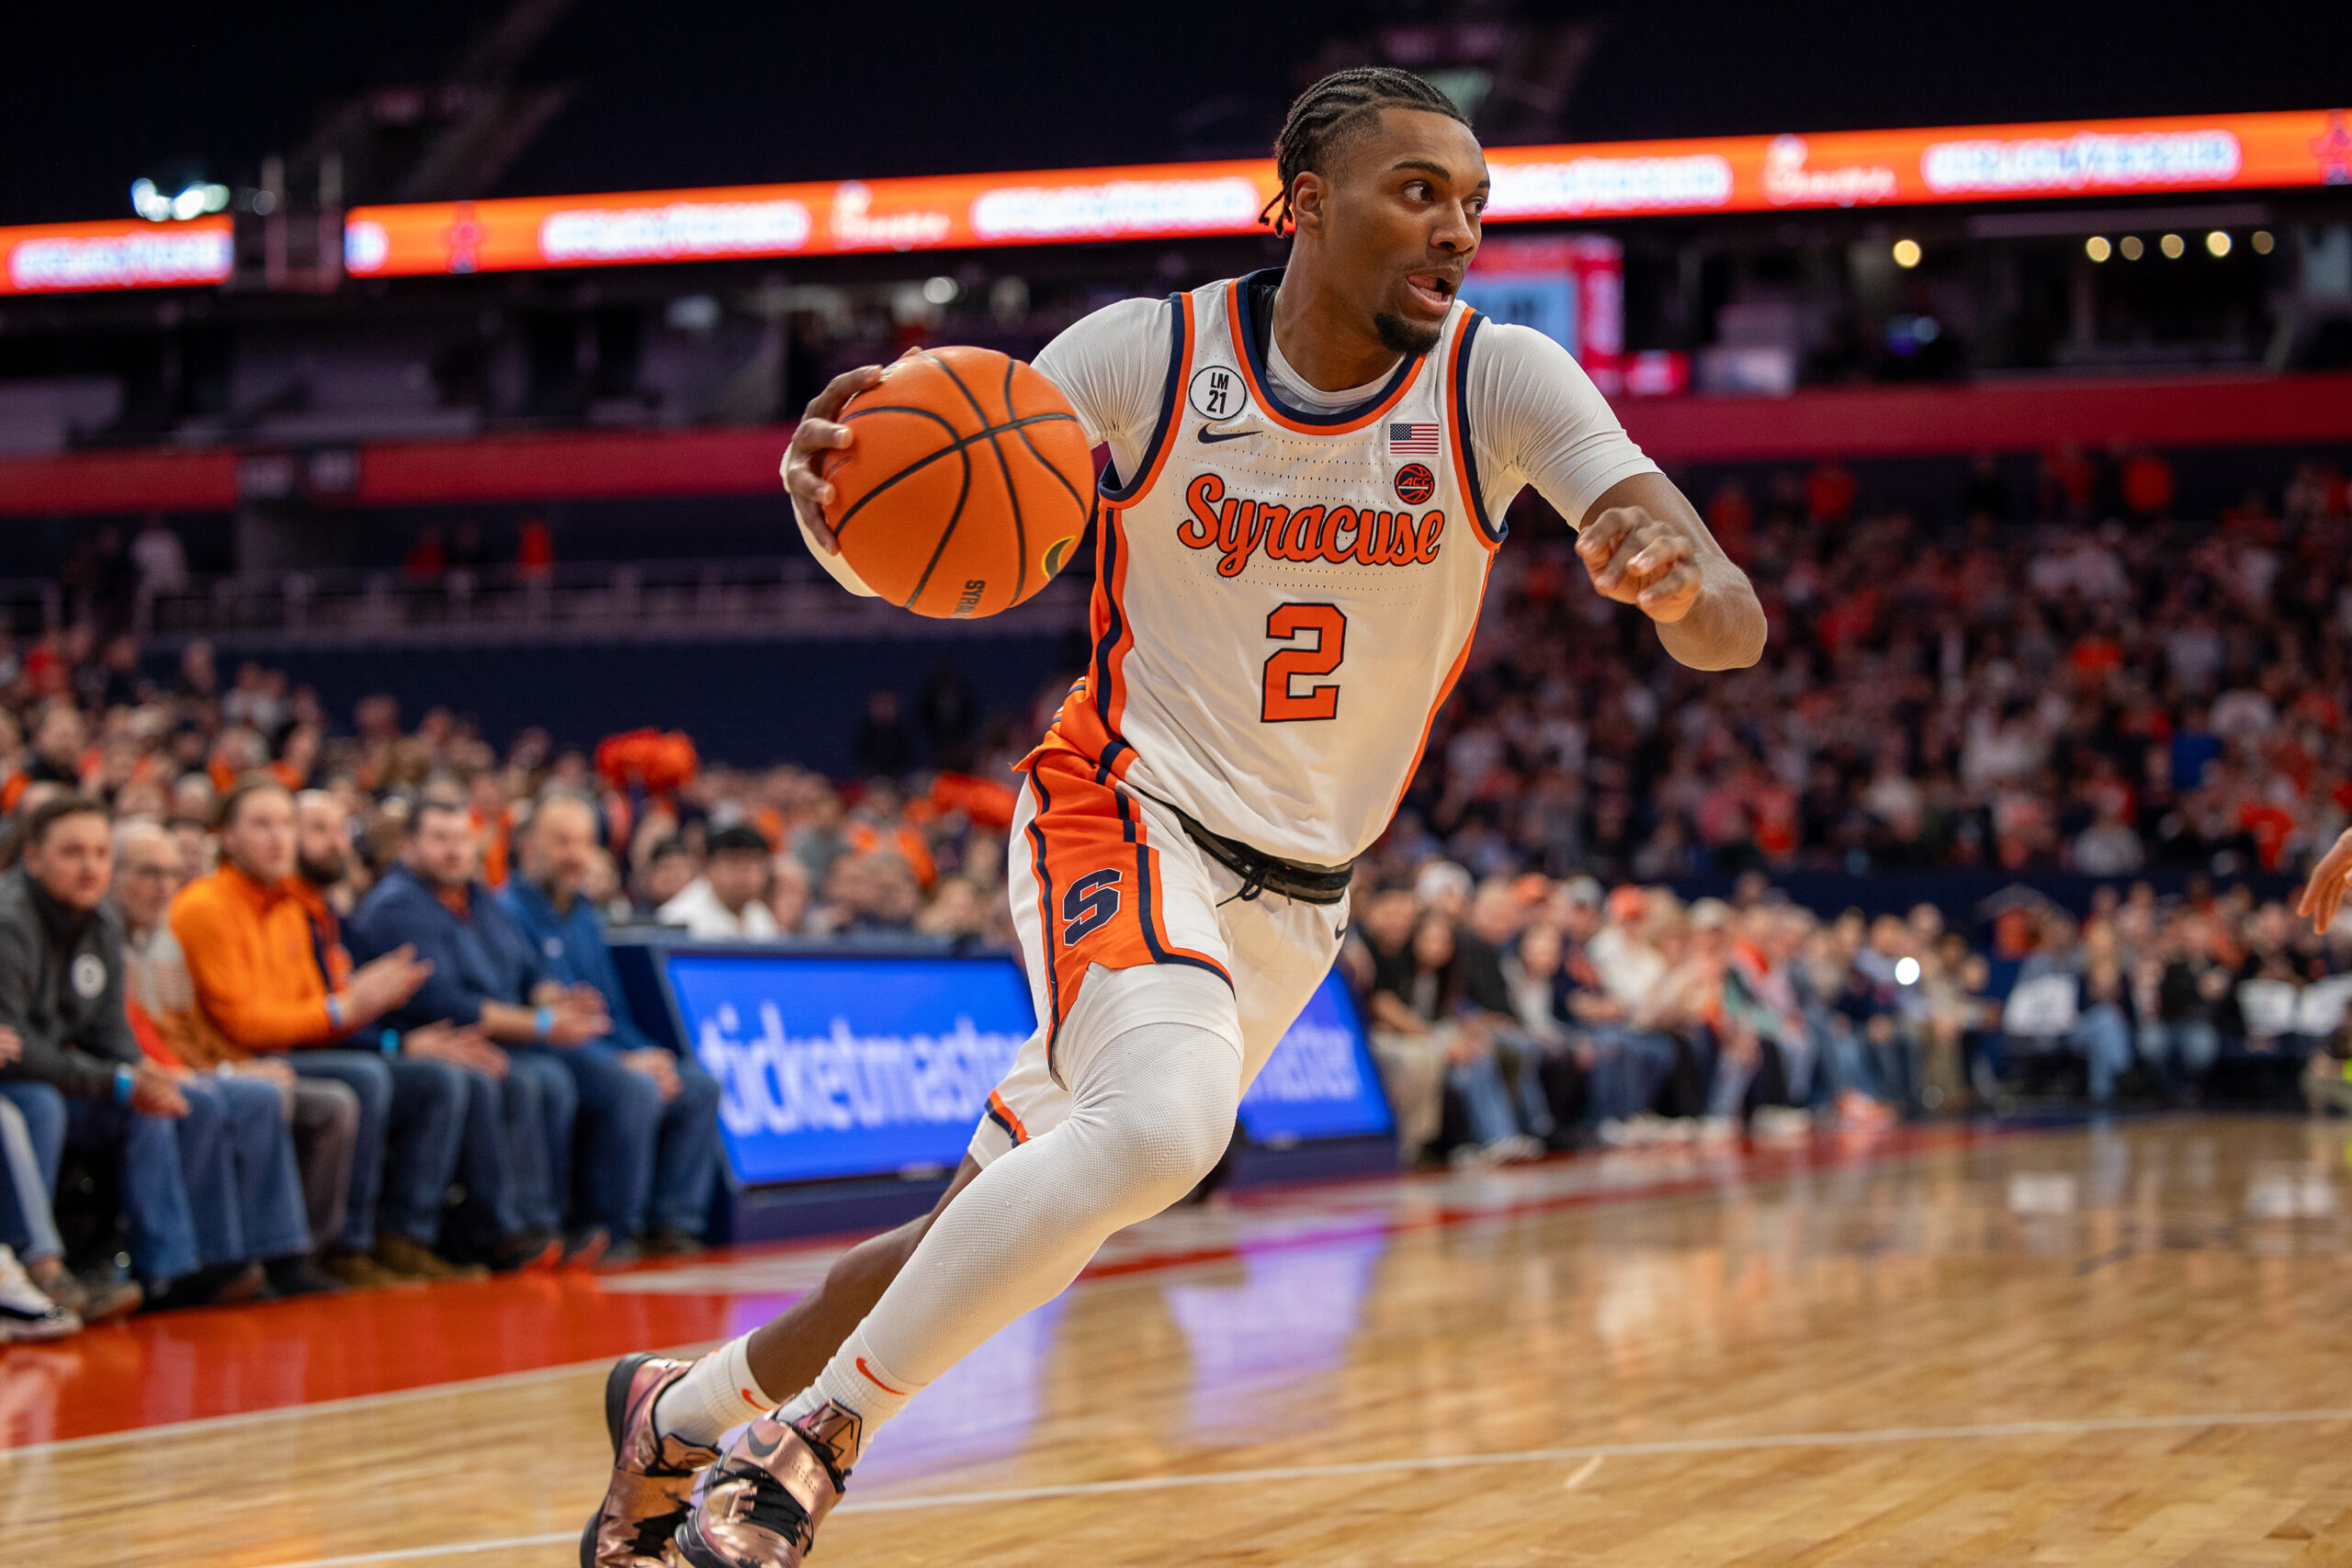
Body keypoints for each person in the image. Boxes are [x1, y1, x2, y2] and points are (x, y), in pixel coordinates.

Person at [587, 67, 1763, 1568]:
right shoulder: (1146, 357)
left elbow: (1728, 617)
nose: (1458, 228)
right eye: (1421, 192)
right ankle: (804, 1442)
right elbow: (946, 530)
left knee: (986, 1225)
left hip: (1301, 898)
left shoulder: (1504, 380)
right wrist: (838, 522)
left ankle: (672, 1407)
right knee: (1164, 1128)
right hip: (1123, 807)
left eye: (1476, 203)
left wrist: (1679, 584)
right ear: (1307, 204)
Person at [0, 795, 304, 1307]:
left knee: (155, 1104)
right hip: (26, 1084)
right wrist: (118, 1080)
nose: (90, 866)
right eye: (73, 853)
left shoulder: (100, 921)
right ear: (33, 858)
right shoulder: (11, 922)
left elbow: (111, 1034)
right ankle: (43, 1272)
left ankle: (181, 1269)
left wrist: (141, 1075)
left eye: (99, 853)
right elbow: (14, 1051)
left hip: (70, 1077)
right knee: (43, 1105)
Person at [171, 782, 481, 1284]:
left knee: (435, 1079)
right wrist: (347, 1008)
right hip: (234, 1058)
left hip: (292, 1052)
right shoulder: (205, 905)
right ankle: (333, 1247)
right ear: (227, 837)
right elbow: (245, 1023)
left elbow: (314, 1009)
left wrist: (378, 1019)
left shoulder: (292, 907)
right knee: (362, 1079)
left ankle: (403, 1236)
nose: (278, 839)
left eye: (285, 826)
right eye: (262, 825)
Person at [348, 796, 594, 1269]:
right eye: (440, 839)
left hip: (488, 1037)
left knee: (548, 1078)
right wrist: (542, 1024)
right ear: (409, 846)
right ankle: (492, 1232)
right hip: (424, 1036)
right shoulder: (396, 905)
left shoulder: (482, 900)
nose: (454, 851)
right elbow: (446, 1004)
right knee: (499, 1078)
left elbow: (528, 973)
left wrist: (552, 1000)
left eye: (461, 839)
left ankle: (541, 1224)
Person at [114, 816, 352, 1297]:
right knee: (216, 1099)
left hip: (195, 1062)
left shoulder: (162, 942)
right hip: (135, 1072)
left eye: (170, 874)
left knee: (272, 1093)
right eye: (147, 874)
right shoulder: (135, 932)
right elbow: (140, 1039)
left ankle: (275, 1254)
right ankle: (197, 1266)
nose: (164, 888)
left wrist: (225, 1067)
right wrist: (219, 1070)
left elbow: (190, 1033)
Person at [499, 793, 723, 1262]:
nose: (574, 855)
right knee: (634, 1088)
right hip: (544, 1049)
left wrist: (649, 1054)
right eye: (561, 841)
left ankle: (674, 1224)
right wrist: (625, 1061)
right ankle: (612, 1229)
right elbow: (538, 1014)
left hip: (598, 1049)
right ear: (527, 845)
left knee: (696, 1083)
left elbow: (611, 1012)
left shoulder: (584, 916)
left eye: (584, 842)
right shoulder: (507, 913)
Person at [656, 824, 781, 940]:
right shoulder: (679, 918)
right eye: (734, 861)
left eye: (753, 863)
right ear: (708, 866)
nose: (744, 873)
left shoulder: (759, 913)